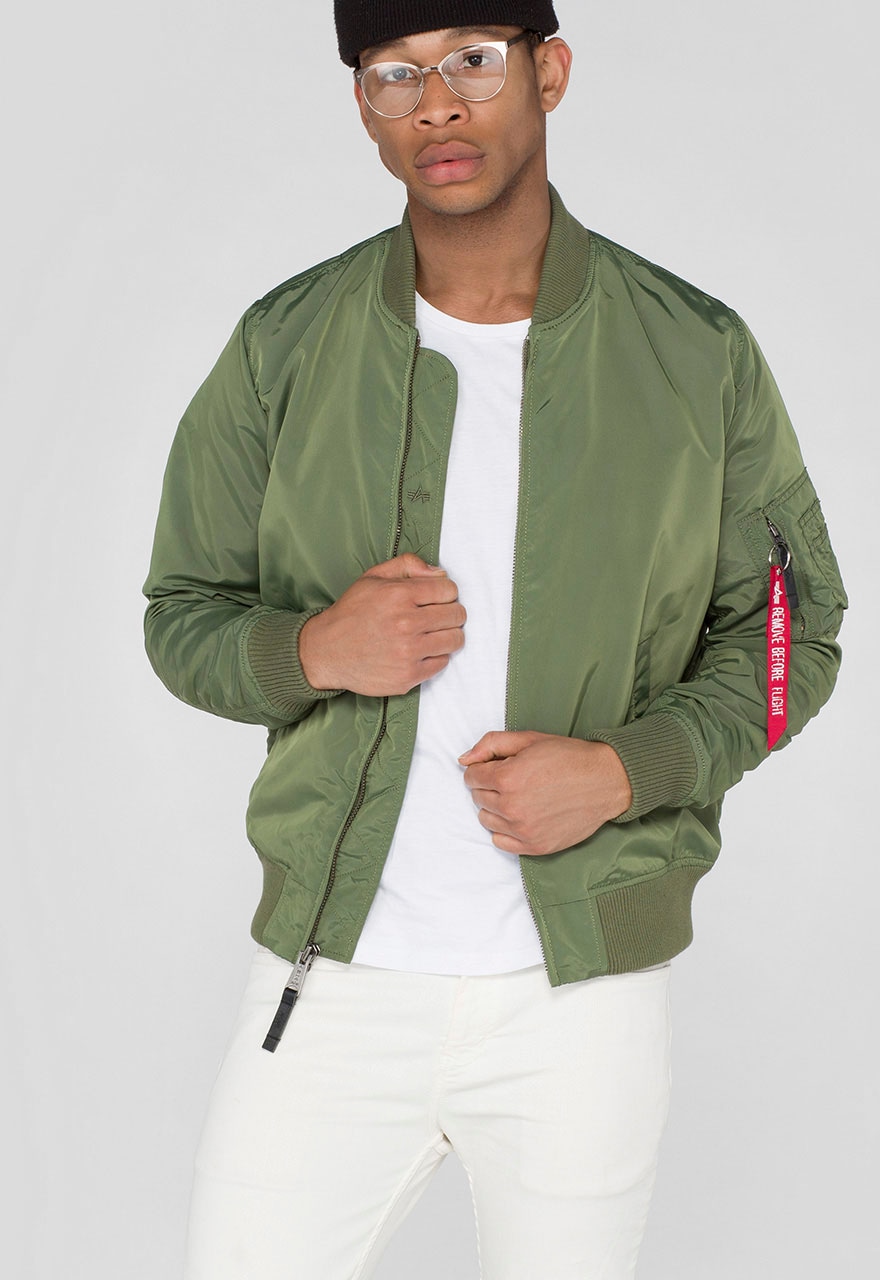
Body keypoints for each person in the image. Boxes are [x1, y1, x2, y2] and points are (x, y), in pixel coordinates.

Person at [143, 3, 846, 1276]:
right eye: (394, 74)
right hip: (333, 978)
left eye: (472, 61)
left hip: (577, 1000)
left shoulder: (693, 353)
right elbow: (180, 612)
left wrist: (626, 769)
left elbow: (794, 629)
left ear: (548, 71)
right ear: (364, 107)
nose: (438, 105)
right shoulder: (284, 344)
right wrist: (312, 651)